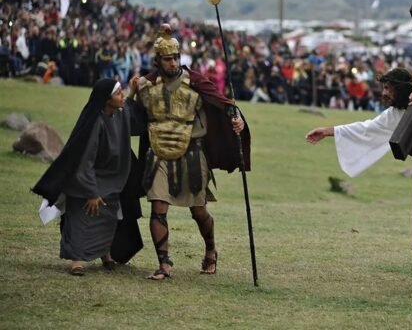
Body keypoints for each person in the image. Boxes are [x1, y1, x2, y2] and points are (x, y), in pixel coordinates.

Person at [306, 68, 412, 298]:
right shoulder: (396, 114)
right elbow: (368, 128)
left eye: (388, 88)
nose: (384, 93)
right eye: (383, 88)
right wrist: (328, 131)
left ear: (402, 88)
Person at [128, 24, 249, 281]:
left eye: (175, 58)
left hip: (191, 154)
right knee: (158, 208)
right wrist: (130, 93)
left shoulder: (195, 81)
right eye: (167, 59)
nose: (172, 63)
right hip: (158, 154)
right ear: (158, 60)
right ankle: (164, 264)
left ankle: (211, 251)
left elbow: (223, 103)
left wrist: (236, 117)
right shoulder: (146, 85)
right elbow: (132, 115)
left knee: (198, 211)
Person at [32, 78, 144, 275]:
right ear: (106, 99)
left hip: (111, 180)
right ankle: (77, 260)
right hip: (85, 179)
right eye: (118, 94)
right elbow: (85, 162)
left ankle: (105, 254)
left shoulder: (119, 113)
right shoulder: (95, 123)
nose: (122, 97)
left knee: (107, 221)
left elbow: (132, 116)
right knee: (80, 219)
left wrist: (133, 92)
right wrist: (91, 193)